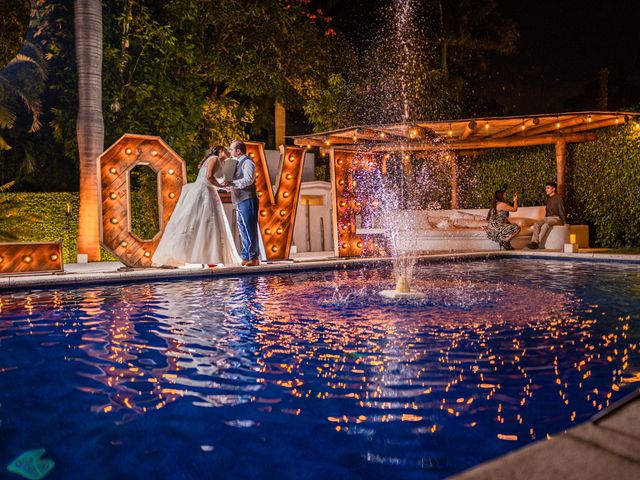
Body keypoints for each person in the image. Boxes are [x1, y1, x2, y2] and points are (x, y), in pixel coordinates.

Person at [152, 146, 242, 267]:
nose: (228, 152)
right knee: (206, 223)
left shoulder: (217, 161)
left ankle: (209, 257)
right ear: (220, 152)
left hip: (208, 191)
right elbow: (209, 176)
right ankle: (206, 257)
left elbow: (211, 177)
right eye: (226, 150)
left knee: (205, 224)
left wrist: (221, 185)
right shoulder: (214, 159)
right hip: (204, 192)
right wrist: (222, 187)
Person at [225, 139, 260, 266]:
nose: (229, 151)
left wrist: (233, 184)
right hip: (239, 200)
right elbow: (235, 183)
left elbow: (249, 180)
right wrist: (226, 186)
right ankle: (246, 255)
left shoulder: (248, 162)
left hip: (248, 198)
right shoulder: (236, 163)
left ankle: (254, 257)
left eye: (231, 149)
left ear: (238, 151)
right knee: (243, 229)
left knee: (250, 228)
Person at [527, 181, 567, 249]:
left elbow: (562, 210)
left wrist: (565, 222)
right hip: (547, 218)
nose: (546, 190)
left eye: (548, 188)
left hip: (556, 218)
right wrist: (544, 219)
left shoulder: (559, 198)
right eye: (546, 188)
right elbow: (547, 211)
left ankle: (536, 243)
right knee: (536, 224)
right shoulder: (548, 199)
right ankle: (534, 242)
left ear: (553, 189)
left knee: (545, 225)